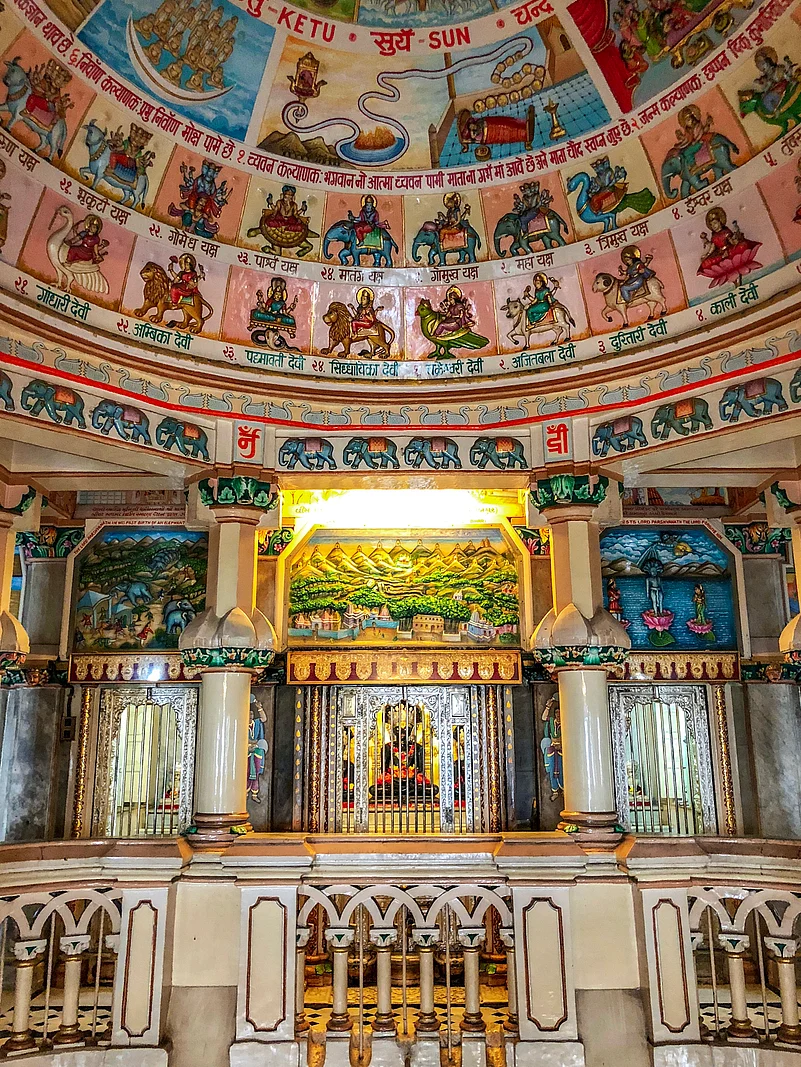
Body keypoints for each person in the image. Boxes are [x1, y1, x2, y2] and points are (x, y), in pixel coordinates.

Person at [698, 207, 760, 273]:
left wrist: (736, 239)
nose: (713, 226)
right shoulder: (714, 236)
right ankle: (723, 261)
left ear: (720, 222)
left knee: (742, 246)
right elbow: (712, 248)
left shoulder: (726, 232)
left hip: (729, 250)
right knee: (705, 263)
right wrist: (707, 255)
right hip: (720, 254)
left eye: (715, 223)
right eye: (711, 224)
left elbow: (732, 242)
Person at [247, 698, 268, 804]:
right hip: (246, 752)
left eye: (251, 714)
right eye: (248, 714)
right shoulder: (242, 724)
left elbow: (263, 719)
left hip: (256, 751)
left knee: (255, 773)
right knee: (246, 772)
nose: (250, 716)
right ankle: (245, 793)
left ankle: (254, 794)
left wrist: (260, 708)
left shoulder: (256, 723)